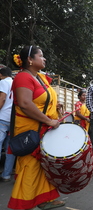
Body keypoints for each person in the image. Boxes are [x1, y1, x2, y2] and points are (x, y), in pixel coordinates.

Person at [9, 45, 65, 209]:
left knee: (43, 166)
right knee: (31, 167)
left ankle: (44, 199)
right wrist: (48, 121)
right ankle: (24, 204)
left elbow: (40, 100)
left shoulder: (38, 77)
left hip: (42, 128)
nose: (44, 58)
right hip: (31, 130)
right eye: (41, 56)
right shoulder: (23, 77)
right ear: (30, 60)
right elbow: (26, 104)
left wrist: (55, 105)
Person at [0, 67, 16, 183]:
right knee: (10, 148)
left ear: (1, 75)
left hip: (2, 118)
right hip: (13, 120)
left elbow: (2, 98)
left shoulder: (3, 82)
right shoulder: (16, 83)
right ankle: (6, 175)